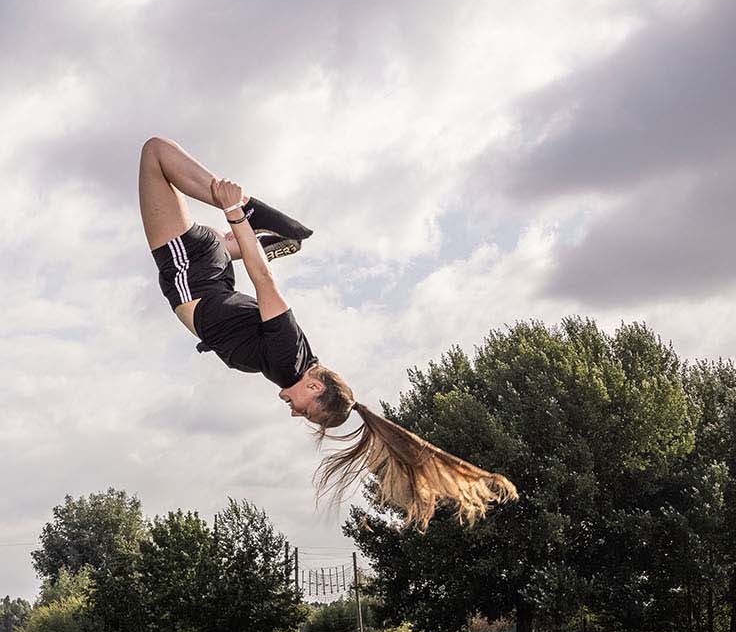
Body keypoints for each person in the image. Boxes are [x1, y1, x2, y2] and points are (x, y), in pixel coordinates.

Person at [138, 135, 517, 529]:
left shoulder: (296, 363)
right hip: (190, 266)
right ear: (316, 388)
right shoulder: (288, 358)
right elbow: (264, 282)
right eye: (307, 412)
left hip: (213, 271)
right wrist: (234, 210)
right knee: (156, 153)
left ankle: (270, 238)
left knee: (179, 181)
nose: (296, 412)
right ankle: (252, 218)